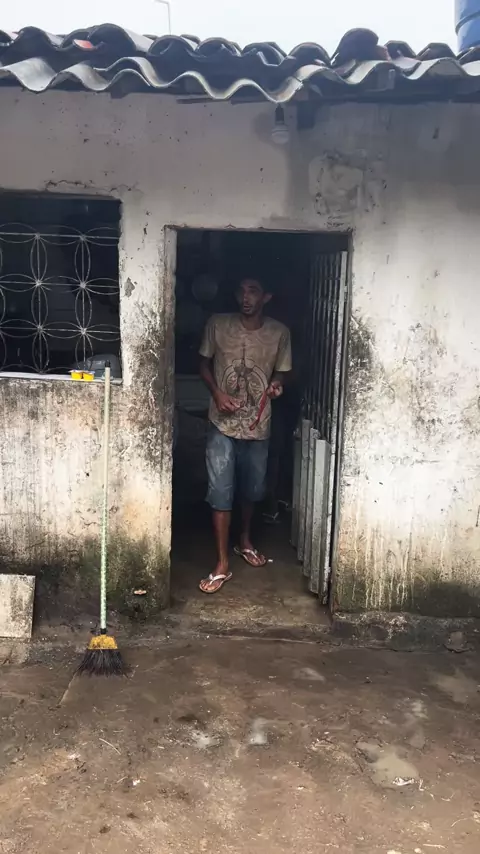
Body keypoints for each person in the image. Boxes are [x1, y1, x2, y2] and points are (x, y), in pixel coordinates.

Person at [198, 276, 292, 593]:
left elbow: (281, 373)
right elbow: (203, 365)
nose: (246, 297)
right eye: (241, 291)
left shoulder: (279, 333)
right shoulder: (217, 325)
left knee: (252, 489)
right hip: (221, 424)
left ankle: (245, 540)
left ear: (266, 297)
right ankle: (222, 563)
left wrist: (276, 385)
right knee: (220, 490)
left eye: (253, 291)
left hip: (257, 424)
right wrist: (217, 393)